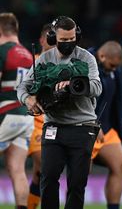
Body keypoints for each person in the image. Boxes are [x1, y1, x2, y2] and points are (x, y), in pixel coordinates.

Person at [17, 16, 102, 209]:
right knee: (47, 178)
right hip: (54, 126)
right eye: (63, 40)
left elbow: (97, 87)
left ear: (77, 36)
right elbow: (23, 86)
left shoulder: (86, 57)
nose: (68, 43)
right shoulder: (45, 60)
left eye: (72, 38)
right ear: (53, 38)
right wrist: (29, 99)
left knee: (77, 183)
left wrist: (74, 85)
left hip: (82, 127)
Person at [89, 40, 122, 209]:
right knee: (80, 175)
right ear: (101, 56)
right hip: (87, 129)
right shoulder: (87, 66)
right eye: (111, 65)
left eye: (116, 66)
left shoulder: (114, 72)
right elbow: (82, 99)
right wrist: (94, 123)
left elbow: (121, 96)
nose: (114, 68)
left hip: (107, 129)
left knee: (119, 165)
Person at [0, 12, 34, 209]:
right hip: (25, 117)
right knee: (17, 169)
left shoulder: (3, 51)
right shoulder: (28, 55)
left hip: (6, 114)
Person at [27, 23, 55, 209]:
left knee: (40, 172)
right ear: (41, 40)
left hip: (54, 123)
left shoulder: (61, 63)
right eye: (49, 38)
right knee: (44, 167)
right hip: (33, 124)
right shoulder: (32, 62)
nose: (52, 42)